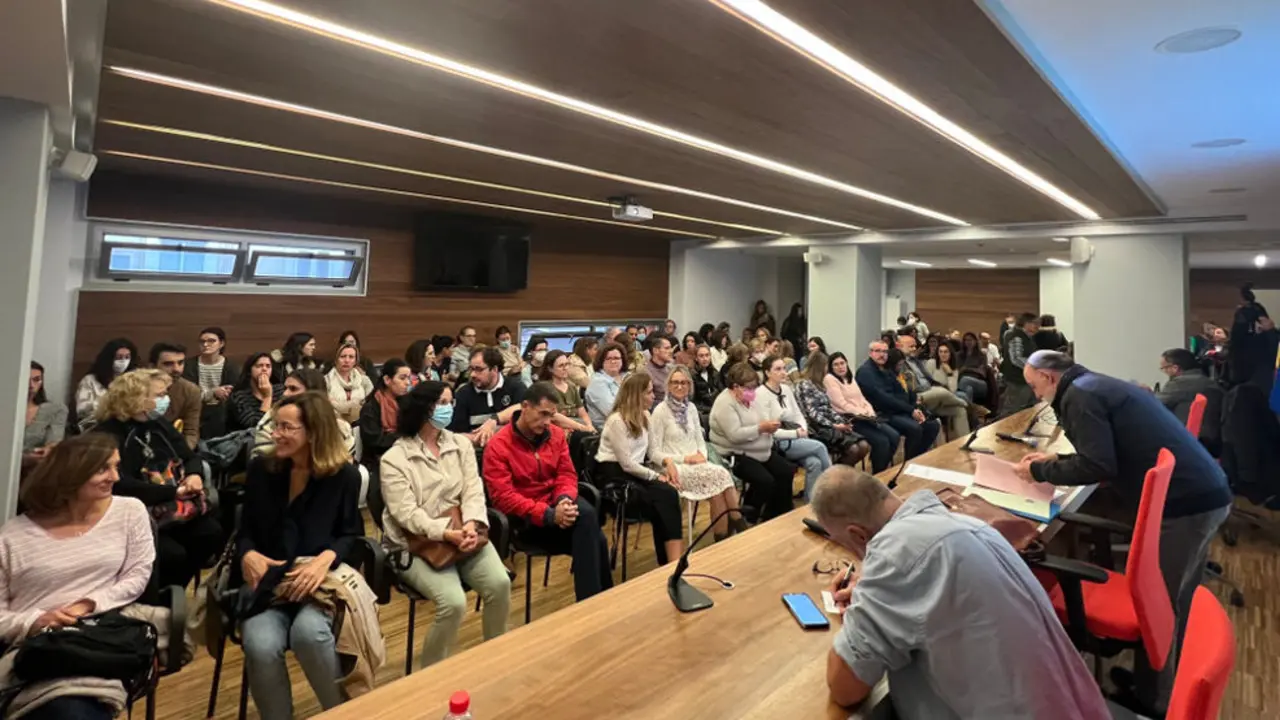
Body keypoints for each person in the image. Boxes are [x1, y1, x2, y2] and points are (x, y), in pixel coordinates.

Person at [1014, 350, 1232, 713]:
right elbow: (1102, 454)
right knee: (1176, 600)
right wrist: (1055, 462)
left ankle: (1156, 703)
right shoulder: (1092, 383)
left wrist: (1040, 473)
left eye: (1033, 385)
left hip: (1189, 505)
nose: (1035, 394)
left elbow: (1098, 464)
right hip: (1202, 494)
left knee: (1164, 605)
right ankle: (1157, 685)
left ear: (1049, 377)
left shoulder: (1080, 396)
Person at [812, 466, 1108, 718]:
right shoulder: (965, 523)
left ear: (857, 535)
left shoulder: (897, 556)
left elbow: (845, 687)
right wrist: (872, 590)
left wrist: (865, 603)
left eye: (845, 545)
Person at [0, 434, 156, 720]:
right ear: (70, 474)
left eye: (116, 466)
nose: (115, 477)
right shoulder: (12, 536)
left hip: (97, 638)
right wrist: (37, 620)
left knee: (70, 711)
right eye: (103, 469)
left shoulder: (129, 511)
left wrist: (86, 605)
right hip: (33, 646)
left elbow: (137, 575)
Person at [237, 392, 364, 719]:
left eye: (286, 427)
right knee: (260, 645)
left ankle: (340, 712)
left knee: (309, 635)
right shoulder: (262, 470)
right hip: (268, 584)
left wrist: (324, 560)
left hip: (317, 584)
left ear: (314, 432)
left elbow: (351, 534)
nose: (275, 434)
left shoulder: (344, 477)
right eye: (276, 426)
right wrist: (248, 553)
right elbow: (245, 530)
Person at [379, 381, 510, 668]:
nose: (449, 408)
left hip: (463, 532)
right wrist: (445, 532)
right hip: (416, 544)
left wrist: (473, 525)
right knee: (453, 603)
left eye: (450, 402)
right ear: (424, 408)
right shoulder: (394, 459)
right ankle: (433, 675)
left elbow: (473, 490)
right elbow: (407, 515)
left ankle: (495, 657)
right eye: (442, 403)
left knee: (500, 584)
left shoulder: (460, 443)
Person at [483, 382, 614, 601]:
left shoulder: (555, 434)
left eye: (551, 415)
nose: (547, 422)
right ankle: (597, 604)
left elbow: (566, 475)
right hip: (527, 522)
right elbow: (504, 498)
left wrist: (563, 500)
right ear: (525, 406)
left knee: (590, 525)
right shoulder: (498, 445)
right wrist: (548, 514)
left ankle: (593, 604)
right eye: (542, 414)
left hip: (557, 506)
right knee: (594, 535)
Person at [93, 369, 221, 589]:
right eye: (160, 395)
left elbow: (189, 456)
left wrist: (194, 474)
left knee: (211, 533)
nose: (166, 400)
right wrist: (173, 492)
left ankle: (178, 589)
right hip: (137, 510)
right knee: (172, 554)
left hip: (174, 505)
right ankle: (160, 595)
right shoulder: (108, 434)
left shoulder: (158, 423)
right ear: (137, 399)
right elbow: (121, 484)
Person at [595, 374, 685, 565]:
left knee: (668, 494)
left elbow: (652, 452)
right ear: (637, 395)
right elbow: (626, 463)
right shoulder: (616, 420)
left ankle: (672, 559)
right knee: (663, 496)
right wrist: (656, 476)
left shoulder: (645, 415)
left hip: (635, 470)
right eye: (649, 392)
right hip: (614, 473)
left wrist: (668, 463)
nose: (654, 396)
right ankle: (672, 560)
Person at [649, 366, 745, 542]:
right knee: (719, 475)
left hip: (698, 463)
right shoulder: (660, 411)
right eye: (676, 382)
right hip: (674, 467)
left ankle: (724, 535)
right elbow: (654, 452)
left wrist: (702, 454)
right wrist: (685, 459)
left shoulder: (691, 408)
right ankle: (738, 526)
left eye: (684, 383)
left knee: (720, 481)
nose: (680, 386)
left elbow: (700, 439)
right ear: (668, 385)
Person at [709, 363, 798, 522]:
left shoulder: (751, 397)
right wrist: (761, 428)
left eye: (754, 387)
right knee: (765, 481)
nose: (753, 391)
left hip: (759, 448)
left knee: (786, 471)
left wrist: (770, 425)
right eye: (749, 388)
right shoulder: (724, 404)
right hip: (735, 453)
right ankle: (747, 517)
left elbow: (763, 416)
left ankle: (777, 515)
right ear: (735, 387)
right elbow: (734, 435)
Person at [754, 355, 833, 497]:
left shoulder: (786, 389)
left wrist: (802, 428)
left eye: (784, 368)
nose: (784, 372)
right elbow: (770, 431)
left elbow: (797, 414)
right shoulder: (760, 394)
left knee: (814, 463)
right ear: (767, 373)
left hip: (796, 436)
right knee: (820, 447)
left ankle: (811, 505)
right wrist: (796, 434)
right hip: (777, 442)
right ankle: (834, 489)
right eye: (778, 369)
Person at [856, 342, 941, 461]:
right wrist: (910, 410)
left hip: (897, 410)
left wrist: (915, 407)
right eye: (878, 351)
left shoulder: (886, 369)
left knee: (932, 425)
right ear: (871, 353)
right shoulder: (866, 372)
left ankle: (915, 459)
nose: (882, 355)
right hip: (882, 414)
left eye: (885, 351)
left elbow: (902, 391)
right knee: (914, 428)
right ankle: (908, 462)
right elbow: (883, 398)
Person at [820, 353, 899, 473]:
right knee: (882, 441)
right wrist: (862, 413)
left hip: (867, 417)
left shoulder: (849, 378)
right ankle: (878, 474)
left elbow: (862, 399)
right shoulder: (830, 379)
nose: (840, 367)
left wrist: (870, 411)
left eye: (842, 363)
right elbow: (842, 404)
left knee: (894, 436)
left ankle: (882, 467)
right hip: (851, 420)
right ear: (831, 367)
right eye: (835, 365)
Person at [256, 368, 356, 460]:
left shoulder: (340, 426)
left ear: (313, 393)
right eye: (285, 388)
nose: (285, 394)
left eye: (293, 389)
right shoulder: (273, 416)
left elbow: (344, 463)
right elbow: (261, 456)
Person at [896, 334, 969, 440]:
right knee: (942, 392)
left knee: (959, 410)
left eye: (915, 346)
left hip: (932, 396)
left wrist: (948, 374)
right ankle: (967, 404)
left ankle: (964, 442)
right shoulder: (899, 363)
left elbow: (931, 380)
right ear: (900, 346)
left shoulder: (916, 361)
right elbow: (906, 386)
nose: (914, 349)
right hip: (918, 396)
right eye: (911, 346)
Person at [449, 348, 526, 447]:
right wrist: (485, 437)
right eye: (471, 369)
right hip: (476, 450)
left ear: (494, 369)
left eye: (479, 369)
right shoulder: (463, 394)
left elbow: (525, 409)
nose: (472, 374)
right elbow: (455, 435)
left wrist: (494, 421)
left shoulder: (515, 387)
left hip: (512, 448)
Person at [183, 327, 239, 440]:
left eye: (211, 341)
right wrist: (213, 393)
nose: (205, 344)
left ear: (221, 343)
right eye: (202, 341)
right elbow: (189, 395)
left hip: (221, 413)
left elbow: (234, 393)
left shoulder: (230, 366)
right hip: (196, 410)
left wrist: (222, 393)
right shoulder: (189, 365)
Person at [360, 359, 413, 474]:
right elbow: (375, 442)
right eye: (402, 378)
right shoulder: (371, 408)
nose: (408, 383)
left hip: (406, 453)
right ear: (387, 380)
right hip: (379, 460)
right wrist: (404, 436)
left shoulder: (406, 402)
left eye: (409, 378)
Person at [75, 338, 138, 430]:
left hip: (127, 427)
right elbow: (83, 411)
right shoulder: (90, 380)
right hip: (96, 427)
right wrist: (110, 408)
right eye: (119, 357)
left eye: (127, 357)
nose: (123, 361)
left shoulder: (134, 380)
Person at [1156, 348, 1221, 434]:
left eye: (1164, 368)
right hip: (1209, 435)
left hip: (1182, 436)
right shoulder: (1208, 381)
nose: (1164, 372)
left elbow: (1155, 406)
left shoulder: (1179, 383)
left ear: (1175, 368)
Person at [150, 342, 202, 449]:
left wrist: (181, 455)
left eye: (180, 363)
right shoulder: (136, 388)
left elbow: (191, 432)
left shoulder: (191, 390)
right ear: (152, 366)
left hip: (174, 446)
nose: (177, 369)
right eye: (168, 364)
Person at [23, 361, 67, 469]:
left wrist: (47, 450)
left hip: (36, 469)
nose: (31, 385)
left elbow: (53, 443)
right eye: (26, 379)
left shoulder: (55, 410)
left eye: (36, 380)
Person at [540, 350, 595, 434]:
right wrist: (581, 427)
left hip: (576, 426)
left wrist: (589, 426)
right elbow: (553, 416)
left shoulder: (571, 386)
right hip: (556, 428)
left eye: (567, 364)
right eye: (561, 366)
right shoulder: (544, 388)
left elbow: (582, 413)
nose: (565, 368)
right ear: (550, 368)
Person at [228, 352, 284, 432]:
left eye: (268, 366)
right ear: (249, 370)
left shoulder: (281, 390)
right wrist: (267, 397)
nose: (264, 369)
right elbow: (256, 428)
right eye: (259, 366)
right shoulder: (239, 397)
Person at [999, 312, 1041, 414]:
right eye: (1034, 323)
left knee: (1027, 410)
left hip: (1025, 379)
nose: (1037, 327)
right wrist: (1034, 367)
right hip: (1017, 380)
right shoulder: (1016, 337)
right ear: (1026, 323)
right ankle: (1005, 429)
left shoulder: (1026, 337)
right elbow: (1016, 358)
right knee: (1012, 411)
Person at [326, 342, 374, 424]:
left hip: (362, 425)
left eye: (351, 357)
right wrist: (355, 404)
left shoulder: (364, 380)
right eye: (343, 357)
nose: (347, 360)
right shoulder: (326, 381)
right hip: (334, 424)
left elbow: (372, 404)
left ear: (356, 361)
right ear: (336, 359)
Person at [931, 341, 988, 409]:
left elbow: (953, 390)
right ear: (937, 353)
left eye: (946, 352)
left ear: (950, 354)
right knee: (962, 395)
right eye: (940, 352)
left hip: (948, 395)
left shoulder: (954, 370)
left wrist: (949, 373)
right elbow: (929, 381)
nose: (943, 354)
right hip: (935, 394)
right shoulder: (931, 363)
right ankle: (974, 410)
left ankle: (972, 412)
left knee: (967, 391)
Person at [585, 342, 627, 429]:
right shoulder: (597, 383)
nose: (613, 361)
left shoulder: (628, 376)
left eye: (617, 358)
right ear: (601, 361)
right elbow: (612, 412)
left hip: (630, 423)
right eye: (608, 358)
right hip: (608, 430)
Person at [690, 344, 723, 420]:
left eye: (707, 355)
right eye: (701, 356)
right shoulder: (691, 375)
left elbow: (721, 392)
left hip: (716, 408)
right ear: (696, 358)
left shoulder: (715, 373)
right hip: (701, 412)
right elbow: (692, 400)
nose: (705, 359)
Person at [644, 333, 675, 406]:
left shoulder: (672, 368)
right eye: (667, 348)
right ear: (655, 351)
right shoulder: (645, 371)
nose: (671, 351)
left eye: (670, 348)